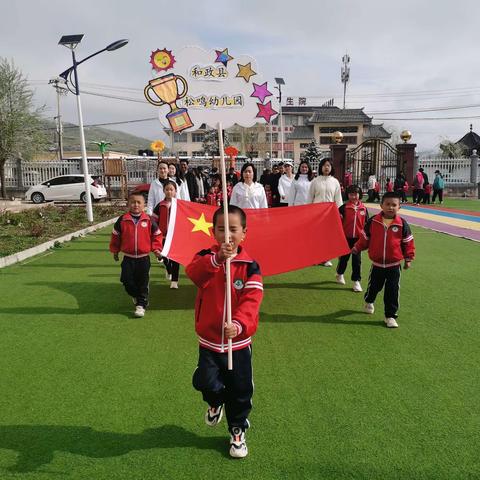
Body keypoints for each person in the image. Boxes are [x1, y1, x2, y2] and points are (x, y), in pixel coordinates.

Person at [186, 205, 263, 459]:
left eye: (233, 229)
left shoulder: (250, 266)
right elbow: (194, 274)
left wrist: (239, 325)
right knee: (204, 381)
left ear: (244, 233)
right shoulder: (205, 256)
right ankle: (215, 401)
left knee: (240, 390)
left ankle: (238, 429)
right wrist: (217, 259)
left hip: (238, 345)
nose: (227, 235)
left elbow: (252, 301)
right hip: (209, 341)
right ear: (214, 232)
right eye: (221, 229)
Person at [352, 192, 415, 328]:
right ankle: (369, 301)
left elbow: (408, 242)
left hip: (394, 265)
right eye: (387, 204)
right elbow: (365, 238)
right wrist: (357, 247)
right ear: (381, 205)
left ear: (399, 207)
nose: (390, 207)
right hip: (377, 264)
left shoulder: (402, 224)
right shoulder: (373, 221)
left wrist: (408, 258)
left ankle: (390, 316)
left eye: (394, 205)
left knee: (392, 290)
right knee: (374, 287)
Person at [109, 192, 163, 317]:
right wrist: (115, 250)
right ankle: (136, 295)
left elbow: (157, 235)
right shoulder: (122, 219)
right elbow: (115, 235)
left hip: (144, 259)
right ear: (128, 204)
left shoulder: (149, 220)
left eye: (139, 202)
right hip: (128, 258)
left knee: (143, 282)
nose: (136, 205)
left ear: (144, 205)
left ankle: (140, 305)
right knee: (126, 280)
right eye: (133, 202)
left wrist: (156, 250)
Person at [308, 158, 343, 267]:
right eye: (324, 165)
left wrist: (340, 212)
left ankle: (326, 258)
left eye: (328, 165)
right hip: (316, 213)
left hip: (330, 214)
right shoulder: (315, 181)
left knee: (327, 236)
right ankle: (314, 257)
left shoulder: (335, 182)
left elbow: (338, 199)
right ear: (321, 167)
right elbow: (310, 197)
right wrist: (308, 213)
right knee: (316, 236)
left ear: (331, 168)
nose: (326, 167)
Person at [336, 185, 369, 292]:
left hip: (358, 240)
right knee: (344, 259)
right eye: (351, 194)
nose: (354, 196)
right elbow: (336, 222)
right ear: (347, 195)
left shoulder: (364, 208)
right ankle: (340, 274)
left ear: (359, 194)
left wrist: (367, 238)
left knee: (357, 261)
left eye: (356, 194)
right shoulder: (343, 208)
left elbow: (367, 225)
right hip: (345, 238)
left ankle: (356, 281)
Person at [152, 181, 180, 289]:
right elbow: (154, 220)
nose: (169, 192)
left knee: (175, 259)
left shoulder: (179, 205)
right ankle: (168, 269)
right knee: (164, 256)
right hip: (162, 236)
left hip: (175, 237)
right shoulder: (160, 205)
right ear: (163, 191)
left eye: (171, 189)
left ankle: (174, 281)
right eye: (167, 189)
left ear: (175, 191)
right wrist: (156, 231)